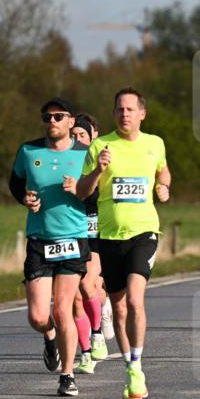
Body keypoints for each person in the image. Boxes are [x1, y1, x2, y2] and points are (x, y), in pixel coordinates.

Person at [77, 88, 170, 399]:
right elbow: (81, 190)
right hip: (108, 237)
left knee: (134, 299)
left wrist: (163, 185)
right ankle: (130, 367)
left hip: (144, 232)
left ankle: (137, 367)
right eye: (119, 109)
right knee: (117, 306)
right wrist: (99, 170)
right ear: (114, 113)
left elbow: (163, 170)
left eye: (130, 109)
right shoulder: (100, 146)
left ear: (142, 113)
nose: (124, 114)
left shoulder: (154, 143)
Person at [9, 97, 90, 396]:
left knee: (65, 308)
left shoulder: (85, 153)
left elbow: (96, 195)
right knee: (39, 316)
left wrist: (79, 190)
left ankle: (67, 375)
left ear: (71, 121)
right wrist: (25, 199)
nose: (52, 122)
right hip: (39, 239)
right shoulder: (29, 151)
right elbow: (16, 182)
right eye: (47, 117)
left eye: (58, 117)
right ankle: (50, 336)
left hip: (72, 238)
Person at [69, 115, 110, 364]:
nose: (76, 141)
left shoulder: (101, 160)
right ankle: (85, 353)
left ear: (93, 136)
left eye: (81, 135)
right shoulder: (64, 162)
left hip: (97, 235)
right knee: (74, 299)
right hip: (72, 232)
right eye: (72, 136)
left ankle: (97, 333)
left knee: (87, 285)